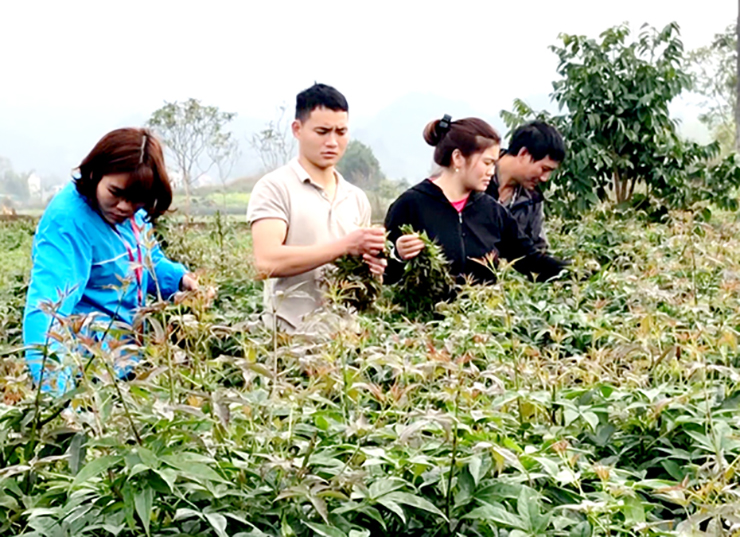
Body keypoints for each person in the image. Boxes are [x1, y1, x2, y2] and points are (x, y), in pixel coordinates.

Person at [23, 128, 200, 394]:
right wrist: (64, 401)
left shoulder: (130, 215)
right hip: (90, 376)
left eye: (137, 200)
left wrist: (179, 280)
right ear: (94, 174)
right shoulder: (68, 222)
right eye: (115, 192)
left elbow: (146, 260)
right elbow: (46, 313)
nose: (125, 207)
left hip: (126, 362)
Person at [247, 83, 386, 331]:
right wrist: (345, 246)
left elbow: (360, 278)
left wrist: (373, 268)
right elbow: (266, 261)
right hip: (289, 342)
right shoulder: (275, 188)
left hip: (344, 344)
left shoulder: (355, 198)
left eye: (341, 132)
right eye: (322, 131)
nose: (332, 142)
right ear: (297, 129)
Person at [385, 115, 567, 286]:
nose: (491, 171)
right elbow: (384, 276)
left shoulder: (493, 211)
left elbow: (531, 261)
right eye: (487, 163)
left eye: (494, 164)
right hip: (422, 319)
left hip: (479, 316)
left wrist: (580, 273)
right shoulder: (411, 205)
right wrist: (398, 255)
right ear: (458, 158)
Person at [485, 121, 565, 252]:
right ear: (523, 154)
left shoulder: (532, 199)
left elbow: (538, 248)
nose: (545, 178)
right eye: (544, 169)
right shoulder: (477, 178)